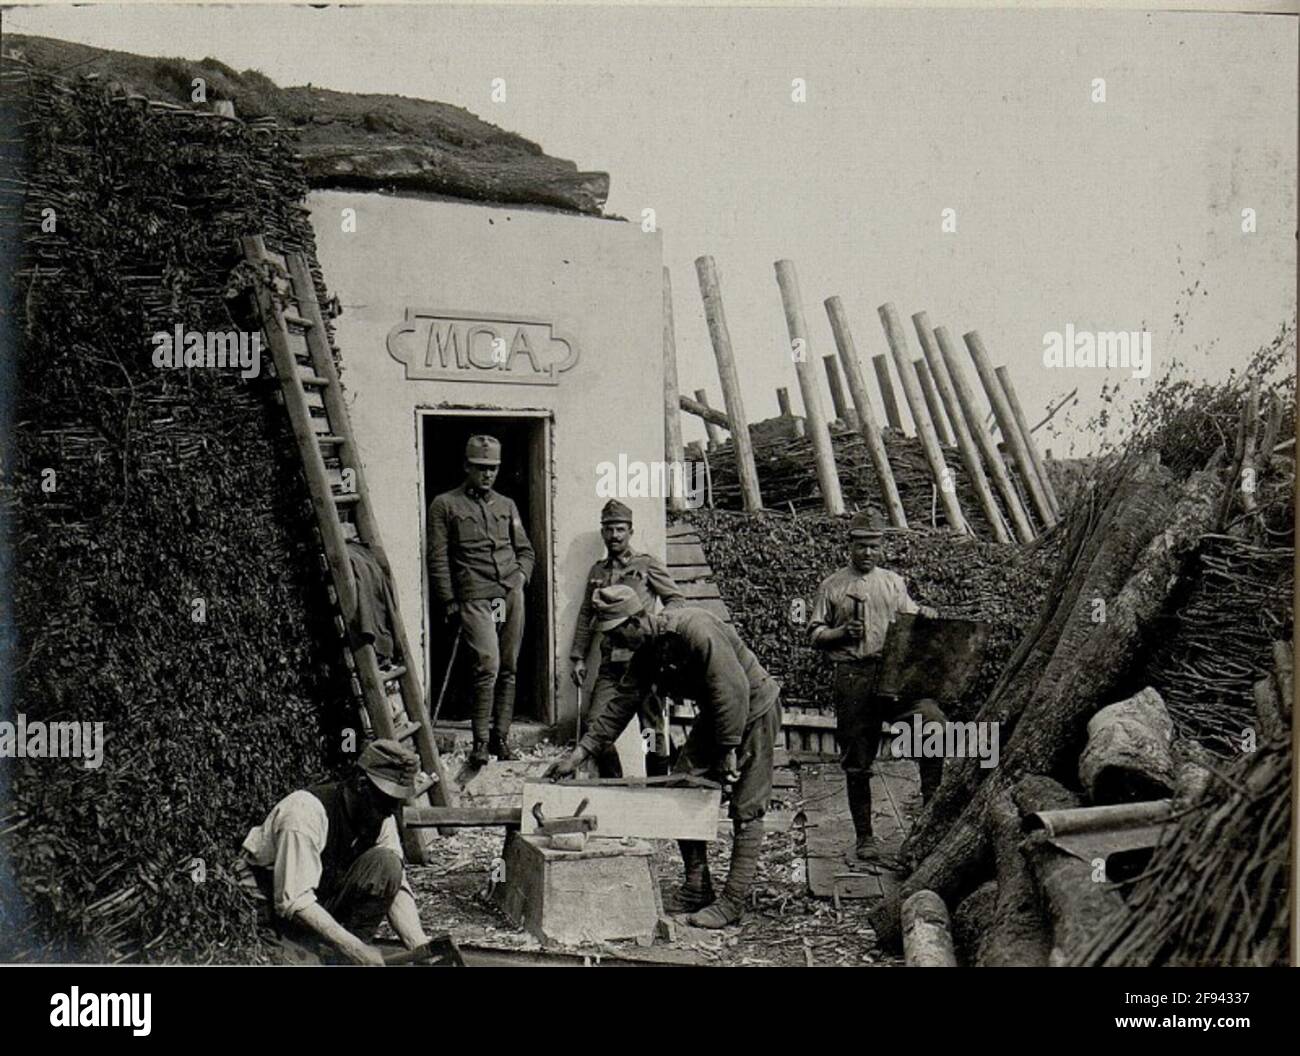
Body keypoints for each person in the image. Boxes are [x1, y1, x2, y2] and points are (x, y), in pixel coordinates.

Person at [546, 584, 781, 929]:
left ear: (637, 621)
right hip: (718, 715)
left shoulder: (694, 630)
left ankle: (732, 902)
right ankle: (698, 886)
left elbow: (731, 689)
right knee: (681, 787)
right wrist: (578, 755)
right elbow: (620, 706)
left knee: (747, 806)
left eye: (616, 634)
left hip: (754, 707)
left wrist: (728, 750)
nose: (612, 644)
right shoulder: (645, 652)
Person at [808, 509, 944, 867]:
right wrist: (838, 634)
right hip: (853, 677)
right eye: (861, 546)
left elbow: (910, 616)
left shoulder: (893, 582)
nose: (868, 553)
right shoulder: (832, 585)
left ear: (882, 546)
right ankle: (865, 837)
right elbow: (814, 632)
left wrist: (925, 613)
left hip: (894, 675)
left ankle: (929, 825)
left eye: (874, 546)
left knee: (933, 726)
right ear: (849, 545)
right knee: (858, 761)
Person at [235, 740, 432, 965]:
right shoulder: (304, 813)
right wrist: (357, 949)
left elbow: (395, 884)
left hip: (317, 903)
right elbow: (295, 901)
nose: (392, 810)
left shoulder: (380, 815)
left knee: (387, 863)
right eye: (387, 800)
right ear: (360, 783)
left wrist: (419, 946)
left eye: (397, 802)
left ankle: (342, 956)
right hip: (268, 911)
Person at [428, 435, 536, 766]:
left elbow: (526, 550)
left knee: (509, 667)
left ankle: (500, 739)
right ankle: (480, 741)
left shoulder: (507, 505)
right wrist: (448, 600)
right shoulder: (445, 504)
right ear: (467, 466)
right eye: (481, 468)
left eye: (493, 468)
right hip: (474, 595)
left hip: (509, 593)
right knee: (487, 664)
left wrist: (520, 578)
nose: (488, 475)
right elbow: (438, 556)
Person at [568, 499, 685, 777]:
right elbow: (587, 614)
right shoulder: (597, 571)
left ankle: (657, 790)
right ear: (602, 532)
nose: (614, 535)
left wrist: (656, 626)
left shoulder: (646, 565)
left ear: (630, 531)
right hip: (611, 665)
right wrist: (578, 657)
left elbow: (676, 600)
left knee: (651, 733)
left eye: (620, 529)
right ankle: (615, 785)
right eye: (608, 529)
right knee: (596, 728)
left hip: (644, 661)